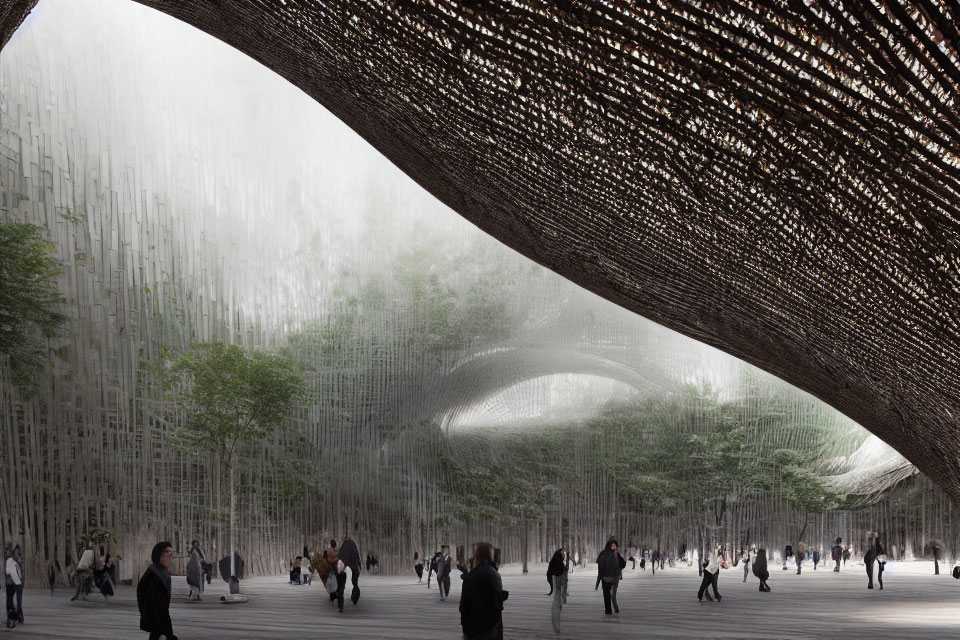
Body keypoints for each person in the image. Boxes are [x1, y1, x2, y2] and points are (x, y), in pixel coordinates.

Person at [460, 542, 506, 640]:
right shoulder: (495, 575)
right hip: (491, 626)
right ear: (490, 555)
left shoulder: (471, 576)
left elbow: (464, 605)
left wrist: (465, 624)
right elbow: (498, 605)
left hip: (473, 627)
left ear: (477, 556)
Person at [137, 542, 177, 640]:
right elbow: (156, 605)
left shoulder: (158, 571)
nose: (170, 558)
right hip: (158, 621)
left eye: (171, 555)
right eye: (167, 555)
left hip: (158, 621)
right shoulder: (157, 576)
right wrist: (165, 629)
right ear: (160, 557)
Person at [596, 538, 625, 615]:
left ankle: (609, 610)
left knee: (608, 594)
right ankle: (609, 610)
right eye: (613, 546)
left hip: (610, 578)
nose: (614, 547)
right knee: (607, 594)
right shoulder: (610, 554)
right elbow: (622, 565)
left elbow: (622, 564)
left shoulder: (606, 553)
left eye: (615, 546)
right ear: (609, 546)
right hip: (608, 577)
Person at [546, 548, 567, 634]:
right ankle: (556, 626)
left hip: (556, 579)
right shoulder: (557, 559)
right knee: (556, 600)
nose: (563, 554)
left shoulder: (556, 559)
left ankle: (556, 625)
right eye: (562, 553)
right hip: (556, 579)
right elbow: (558, 571)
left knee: (557, 598)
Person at [338, 535, 362, 609]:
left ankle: (342, 599)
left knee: (342, 582)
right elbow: (357, 556)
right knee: (355, 582)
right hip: (354, 565)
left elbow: (340, 555)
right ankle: (354, 596)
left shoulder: (344, 546)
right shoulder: (353, 545)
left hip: (345, 565)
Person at [4, 544, 23, 626]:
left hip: (13, 582)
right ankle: (17, 616)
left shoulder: (13, 560)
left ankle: (15, 616)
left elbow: (9, 572)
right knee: (14, 600)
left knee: (11, 600)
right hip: (13, 582)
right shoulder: (13, 560)